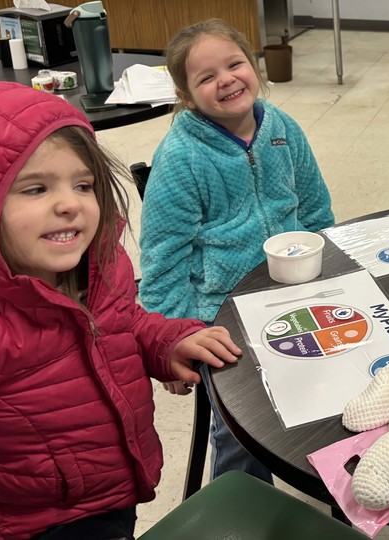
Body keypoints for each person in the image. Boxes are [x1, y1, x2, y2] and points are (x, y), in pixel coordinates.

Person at [0, 81, 243, 540]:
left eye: (83, 185)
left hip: (114, 488)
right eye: (35, 189)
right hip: (40, 522)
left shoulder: (99, 268)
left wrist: (165, 340)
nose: (69, 204)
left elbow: (122, 325)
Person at [138, 19, 334, 485]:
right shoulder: (181, 158)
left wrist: (332, 269)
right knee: (242, 426)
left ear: (254, 67)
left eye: (234, 64)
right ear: (186, 96)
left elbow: (315, 207)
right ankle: (239, 502)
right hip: (221, 316)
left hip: (296, 285)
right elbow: (163, 262)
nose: (225, 79)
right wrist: (170, 338)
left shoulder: (281, 127)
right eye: (206, 77)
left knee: (349, 376)